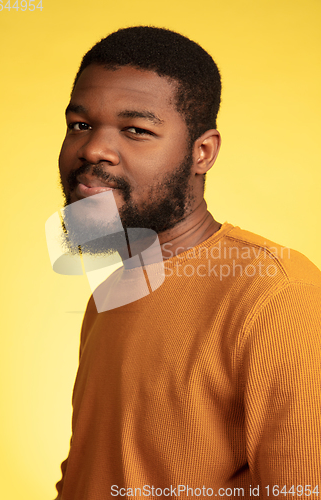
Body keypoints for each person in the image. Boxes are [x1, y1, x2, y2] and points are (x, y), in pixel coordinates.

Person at [54, 26, 321, 499]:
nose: (93, 149)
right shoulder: (111, 289)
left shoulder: (278, 295)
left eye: (137, 130)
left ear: (203, 152)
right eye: (80, 125)